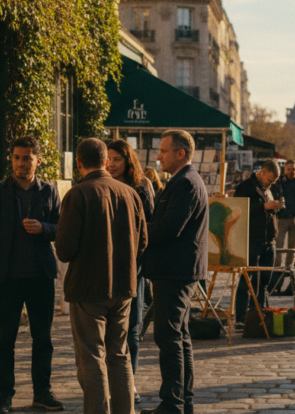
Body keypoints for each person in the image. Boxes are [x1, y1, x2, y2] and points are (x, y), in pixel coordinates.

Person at [56, 138, 147, 414]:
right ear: (106, 161)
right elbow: (142, 242)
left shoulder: (78, 194)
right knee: (119, 354)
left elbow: (64, 249)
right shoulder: (130, 193)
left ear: (78, 163)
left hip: (88, 287)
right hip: (122, 286)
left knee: (92, 357)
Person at [0, 136, 62, 413]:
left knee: (43, 339)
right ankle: (4, 395)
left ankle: (42, 391)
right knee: (5, 340)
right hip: (7, 278)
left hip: (40, 276)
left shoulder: (49, 191)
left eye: (26, 158)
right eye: (16, 157)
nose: (21, 163)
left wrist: (44, 228)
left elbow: (61, 227)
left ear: (38, 160)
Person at [142, 130, 209, 414]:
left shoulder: (185, 184)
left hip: (175, 270)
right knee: (179, 336)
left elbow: (170, 228)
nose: (158, 156)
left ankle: (173, 402)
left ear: (180, 153)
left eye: (163, 150)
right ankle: (183, 400)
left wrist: (138, 232)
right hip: (178, 268)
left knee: (169, 337)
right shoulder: (185, 181)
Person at [108, 139, 156, 404]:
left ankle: (130, 383)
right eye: (109, 158)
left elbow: (148, 228)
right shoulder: (101, 185)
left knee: (132, 328)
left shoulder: (140, 186)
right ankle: (110, 381)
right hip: (105, 266)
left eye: (117, 159)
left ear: (128, 160)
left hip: (132, 268)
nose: (112, 164)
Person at [233, 161, 284, 324]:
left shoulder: (268, 188)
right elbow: (239, 209)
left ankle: (260, 313)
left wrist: (275, 206)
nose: (270, 184)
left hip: (269, 240)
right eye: (269, 180)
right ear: (262, 172)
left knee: (264, 281)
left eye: (273, 182)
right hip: (252, 240)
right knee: (246, 280)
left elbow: (267, 209)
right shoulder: (246, 187)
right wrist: (263, 207)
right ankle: (241, 317)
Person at [271, 161, 295, 267]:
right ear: (284, 170)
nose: (291, 171)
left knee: (292, 246)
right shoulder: (279, 183)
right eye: (289, 169)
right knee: (279, 245)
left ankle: (288, 267)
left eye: (293, 169)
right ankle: (277, 267)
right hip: (282, 218)